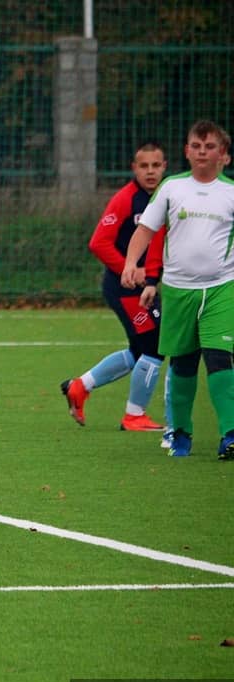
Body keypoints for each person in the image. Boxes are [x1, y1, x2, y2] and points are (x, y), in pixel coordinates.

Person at [121, 120, 234, 459]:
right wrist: (131, 263)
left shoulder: (230, 192)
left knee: (219, 358)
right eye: (196, 146)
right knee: (183, 364)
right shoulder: (172, 187)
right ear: (187, 151)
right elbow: (145, 229)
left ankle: (230, 435)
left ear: (224, 155)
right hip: (178, 290)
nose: (202, 152)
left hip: (221, 288)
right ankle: (181, 433)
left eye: (210, 146)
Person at [60, 141, 171, 435]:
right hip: (125, 289)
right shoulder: (125, 199)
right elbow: (99, 242)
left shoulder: (166, 196)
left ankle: (80, 386)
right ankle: (134, 416)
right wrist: (128, 268)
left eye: (155, 165)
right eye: (144, 166)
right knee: (154, 347)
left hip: (144, 286)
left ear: (165, 167)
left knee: (139, 349)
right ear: (134, 168)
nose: (150, 171)